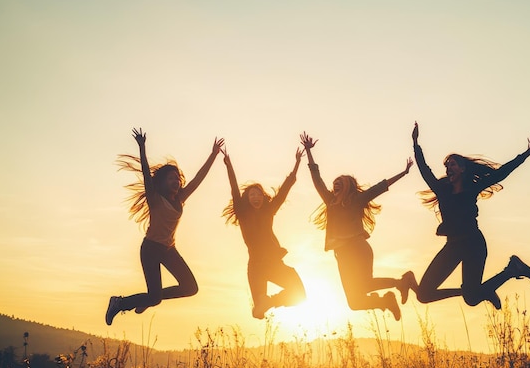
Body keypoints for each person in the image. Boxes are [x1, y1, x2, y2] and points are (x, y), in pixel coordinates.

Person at [411, 121, 530, 309]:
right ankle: (491, 284)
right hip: (453, 245)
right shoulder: (442, 190)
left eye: (453, 164)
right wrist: (416, 144)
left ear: (462, 169)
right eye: (447, 166)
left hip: (473, 244)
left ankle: (511, 271)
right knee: (423, 294)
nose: (448, 168)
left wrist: (526, 154)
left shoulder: (472, 189)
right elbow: (425, 171)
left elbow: (502, 173)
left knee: (472, 299)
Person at [105, 127, 224, 325]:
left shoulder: (180, 199)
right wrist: (142, 148)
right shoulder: (155, 198)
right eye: (171, 179)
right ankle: (120, 303)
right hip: (151, 249)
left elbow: (198, 179)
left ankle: (149, 299)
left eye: (177, 178)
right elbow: (145, 174)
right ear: (162, 182)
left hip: (169, 249)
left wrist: (213, 155)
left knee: (190, 288)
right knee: (155, 297)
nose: (176, 182)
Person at [300, 131, 417, 321]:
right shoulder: (330, 201)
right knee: (354, 302)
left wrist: (403, 173)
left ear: (348, 186)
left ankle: (402, 282)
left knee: (365, 284)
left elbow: (381, 186)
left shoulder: (357, 199)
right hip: (341, 253)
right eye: (334, 183)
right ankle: (387, 300)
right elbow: (316, 178)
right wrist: (308, 151)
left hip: (357, 248)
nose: (335, 185)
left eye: (340, 183)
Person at [221, 144, 306, 319]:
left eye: (258, 194)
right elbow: (234, 189)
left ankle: (270, 301)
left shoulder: (269, 211)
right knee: (258, 313)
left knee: (300, 296)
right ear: (247, 199)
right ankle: (264, 303)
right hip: (257, 267)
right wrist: (229, 167)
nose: (255, 197)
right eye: (252, 195)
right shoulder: (243, 213)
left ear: (263, 197)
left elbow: (284, 191)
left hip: (274, 263)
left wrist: (296, 164)